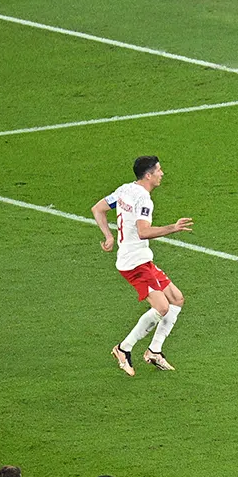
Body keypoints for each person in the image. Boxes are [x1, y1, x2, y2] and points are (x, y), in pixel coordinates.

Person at [92, 155, 194, 376]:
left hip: (139, 259)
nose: (162, 173)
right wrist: (172, 228)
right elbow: (143, 231)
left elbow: (98, 209)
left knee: (176, 298)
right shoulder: (144, 199)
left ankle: (154, 351)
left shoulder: (124, 190)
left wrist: (108, 237)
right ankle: (123, 348)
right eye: (158, 170)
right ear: (148, 175)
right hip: (135, 263)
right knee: (162, 307)